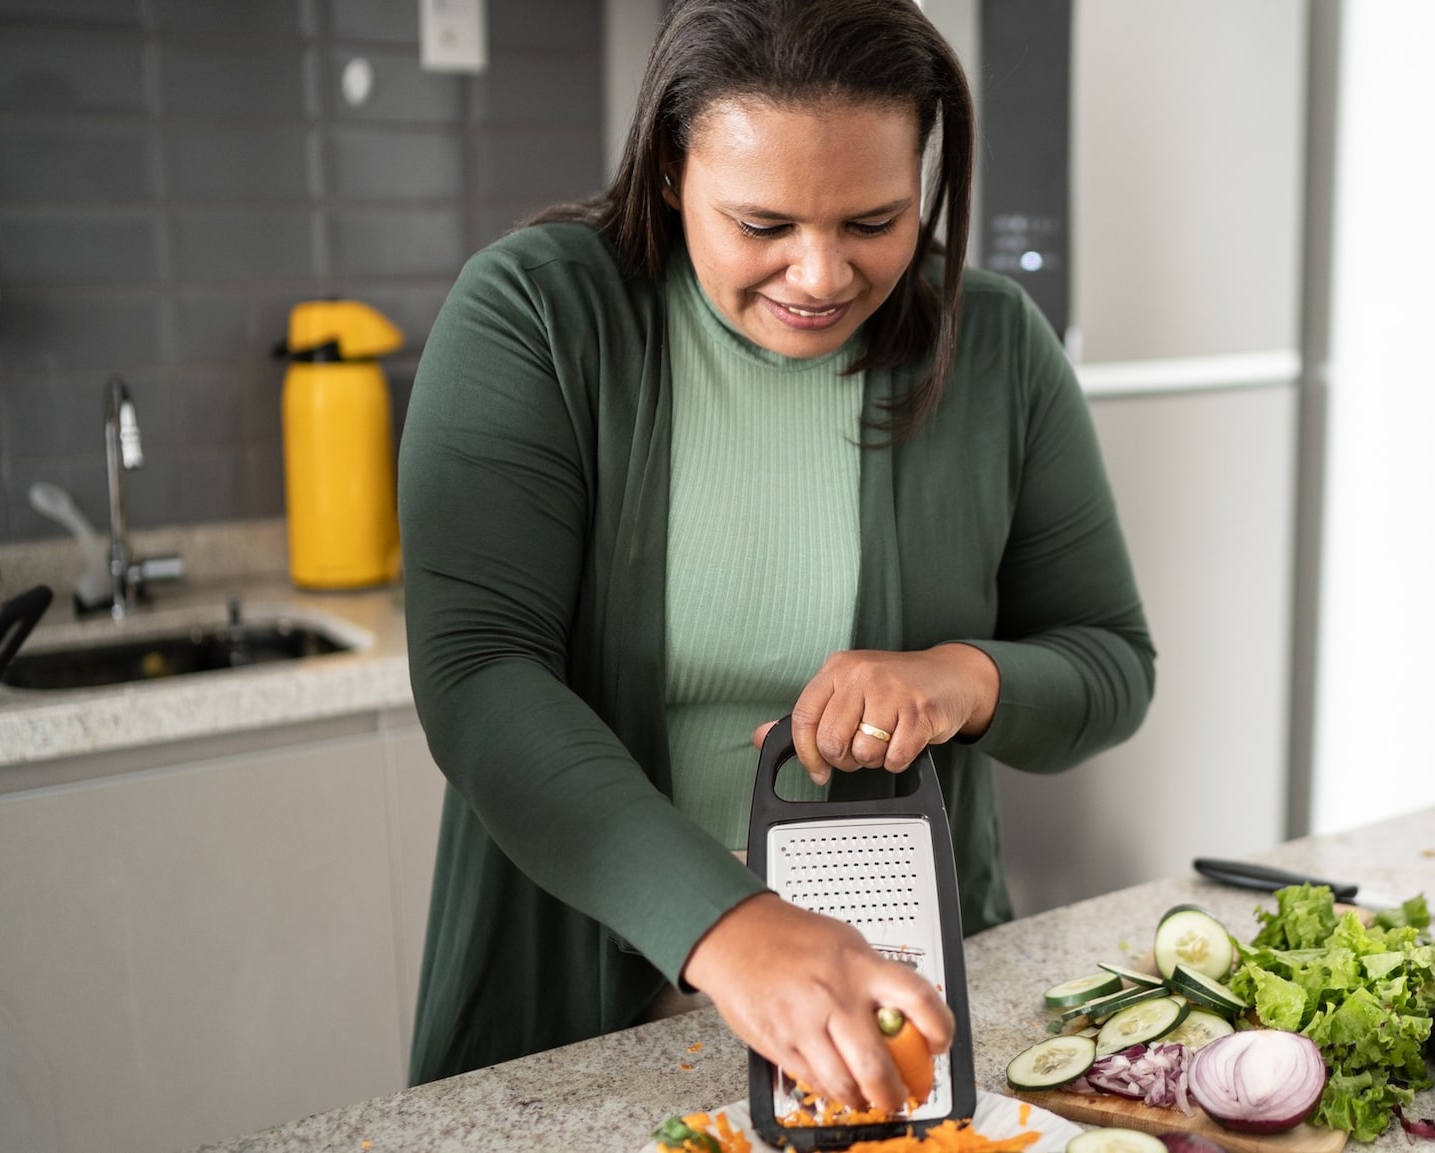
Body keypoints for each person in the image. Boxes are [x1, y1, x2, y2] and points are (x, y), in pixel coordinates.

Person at [397, 0, 1155, 1110]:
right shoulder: (537, 314)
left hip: (901, 990)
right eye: (761, 225)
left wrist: (958, 677)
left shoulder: (991, 344)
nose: (820, 275)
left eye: (873, 221)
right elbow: (477, 673)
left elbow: (1109, 664)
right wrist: (733, 927)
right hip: (581, 1000)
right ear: (667, 169)